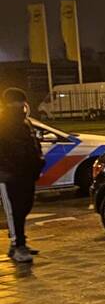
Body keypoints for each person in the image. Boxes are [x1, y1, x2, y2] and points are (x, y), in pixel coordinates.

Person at [0, 88, 44, 264]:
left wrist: (38, 162)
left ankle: (18, 241)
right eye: (19, 102)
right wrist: (10, 168)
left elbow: (33, 144)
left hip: (26, 173)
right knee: (14, 211)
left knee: (24, 208)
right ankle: (18, 245)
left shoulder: (25, 123)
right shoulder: (4, 124)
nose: (21, 106)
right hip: (10, 175)